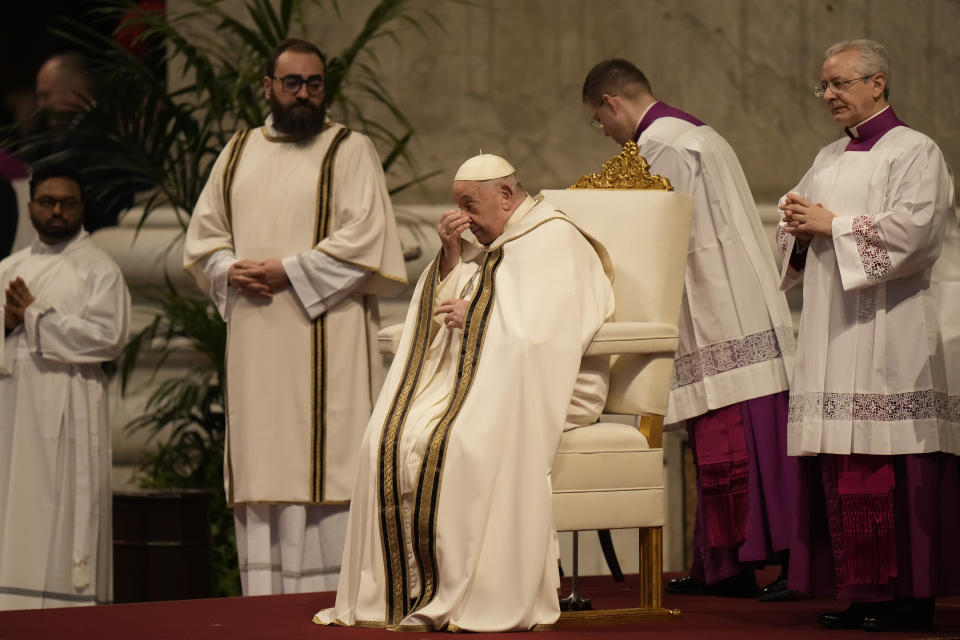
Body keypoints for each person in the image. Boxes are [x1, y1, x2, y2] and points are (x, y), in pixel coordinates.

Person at [314, 154, 615, 632]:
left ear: (505, 194)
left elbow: (546, 334)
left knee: (459, 445)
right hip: (482, 378)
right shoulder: (495, 241)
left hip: (543, 385)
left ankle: (463, 595)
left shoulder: (555, 239)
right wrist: (453, 255)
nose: (464, 219)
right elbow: (462, 300)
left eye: (469, 206)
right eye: (457, 208)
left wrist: (476, 320)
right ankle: (408, 593)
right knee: (386, 440)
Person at [183, 38, 407, 596]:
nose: (304, 94)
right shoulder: (237, 152)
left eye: (314, 84)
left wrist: (291, 271)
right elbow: (204, 238)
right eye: (292, 83)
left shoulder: (350, 149)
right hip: (258, 340)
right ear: (268, 87)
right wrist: (230, 269)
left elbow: (368, 234)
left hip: (327, 330)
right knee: (265, 469)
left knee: (330, 465)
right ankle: (266, 610)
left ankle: (342, 601)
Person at [582, 59, 797, 599]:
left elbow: (656, 231)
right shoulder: (696, 134)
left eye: (597, 119)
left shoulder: (663, 147)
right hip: (729, 300)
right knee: (736, 436)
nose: (603, 132)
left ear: (612, 102)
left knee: (735, 436)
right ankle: (726, 565)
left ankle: (752, 564)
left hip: (716, 306)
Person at [778, 39, 959, 632]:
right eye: (823, 86)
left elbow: (916, 234)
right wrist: (800, 232)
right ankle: (864, 593)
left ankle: (911, 594)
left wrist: (833, 224)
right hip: (834, 332)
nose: (828, 95)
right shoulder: (828, 156)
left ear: (877, 83)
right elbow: (795, 228)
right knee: (846, 462)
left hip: (892, 331)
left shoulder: (916, 151)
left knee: (895, 464)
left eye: (838, 84)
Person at [0, 163, 130, 609]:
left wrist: (34, 317)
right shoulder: (8, 268)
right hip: (12, 411)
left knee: (61, 510)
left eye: (67, 203)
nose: (57, 211)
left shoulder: (99, 270)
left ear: (81, 208)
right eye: (47, 202)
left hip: (70, 411)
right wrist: (5, 320)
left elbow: (107, 338)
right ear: (31, 204)